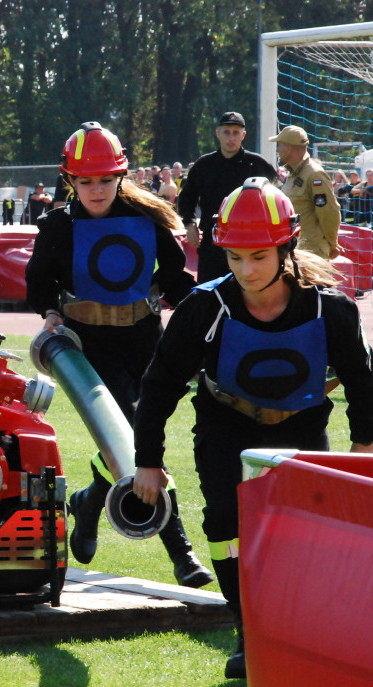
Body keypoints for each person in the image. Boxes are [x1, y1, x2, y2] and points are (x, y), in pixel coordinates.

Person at [132, 177, 373, 679]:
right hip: (226, 428)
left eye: (259, 256)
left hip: (304, 430)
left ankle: (303, 627)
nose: (246, 269)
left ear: (286, 246)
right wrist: (148, 462)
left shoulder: (332, 308)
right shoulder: (204, 307)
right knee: (224, 525)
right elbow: (159, 386)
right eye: (235, 256)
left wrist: (363, 448)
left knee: (311, 537)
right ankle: (249, 627)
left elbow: (362, 383)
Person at [24, 122, 212, 589]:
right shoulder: (58, 226)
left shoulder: (149, 220)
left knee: (130, 436)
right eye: (85, 181)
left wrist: (209, 309)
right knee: (135, 435)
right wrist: (49, 311)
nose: (95, 189)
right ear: (70, 179)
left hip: (146, 341)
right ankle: (182, 552)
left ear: (121, 175)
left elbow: (174, 283)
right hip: (88, 349)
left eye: (105, 179)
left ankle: (89, 504)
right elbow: (38, 282)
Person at [178, 112, 278, 284]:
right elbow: (187, 197)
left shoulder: (258, 165)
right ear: (218, 133)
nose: (231, 137)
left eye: (236, 132)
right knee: (209, 295)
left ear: (243, 135)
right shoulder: (204, 165)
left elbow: (275, 200)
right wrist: (189, 224)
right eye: (226, 132)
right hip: (212, 241)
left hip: (248, 244)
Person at [270, 125, 340, 259]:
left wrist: (333, 244)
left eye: (279, 145)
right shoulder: (293, 173)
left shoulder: (315, 175)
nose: (277, 150)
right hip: (296, 250)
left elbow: (329, 212)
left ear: (289, 148)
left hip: (311, 253)